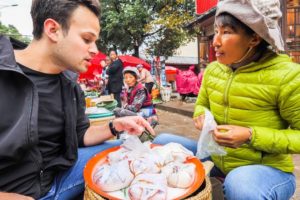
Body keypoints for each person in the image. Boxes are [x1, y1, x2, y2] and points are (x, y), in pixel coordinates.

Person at [0, 1, 154, 199]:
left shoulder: (69, 84)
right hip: (18, 191)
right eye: (87, 39)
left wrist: (115, 126)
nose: (95, 50)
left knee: (156, 146)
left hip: (60, 177)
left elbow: (80, 134)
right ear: (53, 29)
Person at [153, 0, 299, 199]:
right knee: (161, 142)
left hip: (265, 171)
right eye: (216, 31)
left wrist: (250, 135)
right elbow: (202, 105)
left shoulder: (288, 76)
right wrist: (201, 117)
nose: (215, 41)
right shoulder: (213, 70)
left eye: (227, 32)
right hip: (217, 158)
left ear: (254, 38)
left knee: (240, 183)